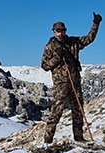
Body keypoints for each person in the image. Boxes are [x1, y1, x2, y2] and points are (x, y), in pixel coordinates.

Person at [40, 13, 101, 143]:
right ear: (54, 32)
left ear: (65, 31)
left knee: (78, 110)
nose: (60, 33)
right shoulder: (49, 47)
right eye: (58, 31)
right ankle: (47, 140)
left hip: (75, 81)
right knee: (56, 111)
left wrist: (96, 24)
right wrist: (57, 57)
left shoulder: (73, 42)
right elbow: (44, 65)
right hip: (61, 84)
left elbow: (89, 39)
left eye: (62, 31)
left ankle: (79, 137)